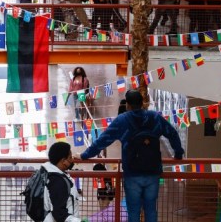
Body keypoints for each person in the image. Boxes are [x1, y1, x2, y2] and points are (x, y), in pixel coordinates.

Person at [77, 90, 184, 222]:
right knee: (151, 210)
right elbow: (172, 133)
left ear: (127, 105)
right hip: (153, 173)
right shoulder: (155, 117)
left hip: (132, 174)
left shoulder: (122, 120)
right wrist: (178, 154)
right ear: (143, 103)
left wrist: (84, 155)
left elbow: (102, 141)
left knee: (133, 212)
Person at [42, 141, 81, 222]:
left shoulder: (50, 173)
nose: (72, 160)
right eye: (70, 157)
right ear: (63, 161)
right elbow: (59, 213)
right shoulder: (57, 181)